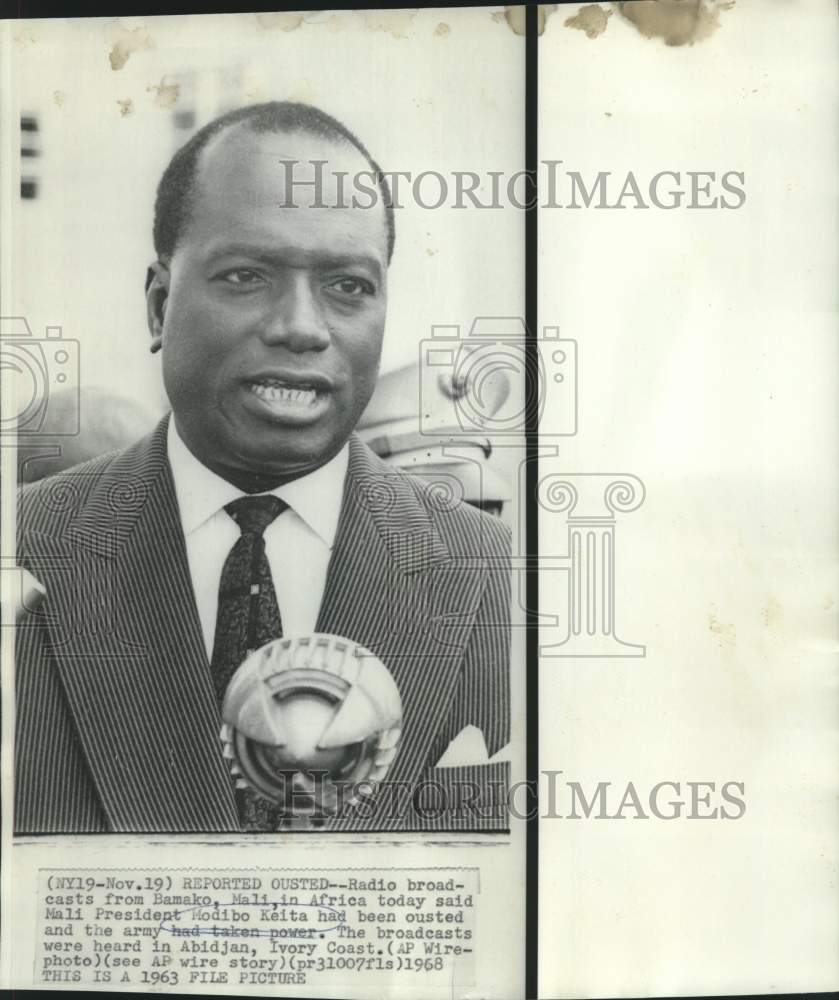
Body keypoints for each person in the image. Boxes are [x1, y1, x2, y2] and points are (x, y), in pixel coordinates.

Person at [14, 102, 510, 835]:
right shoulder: (21, 554)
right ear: (158, 305)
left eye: (347, 286)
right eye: (247, 275)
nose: (302, 327)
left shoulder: (501, 579)